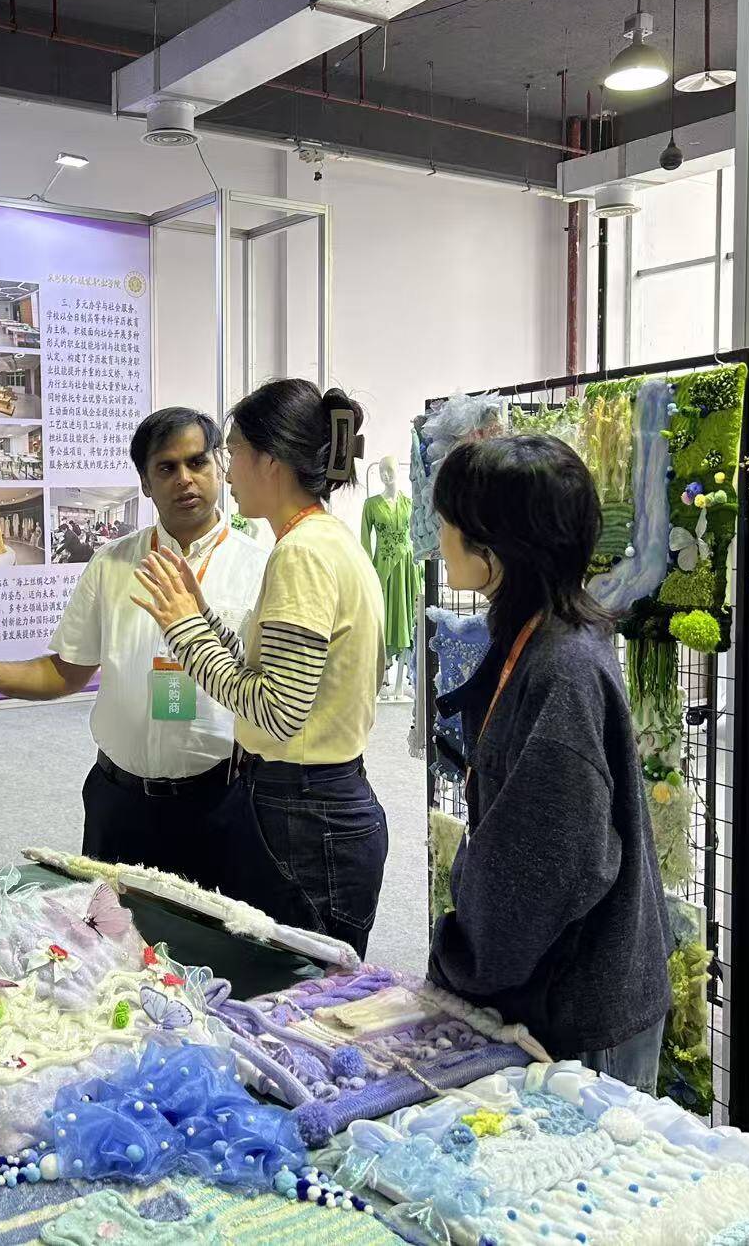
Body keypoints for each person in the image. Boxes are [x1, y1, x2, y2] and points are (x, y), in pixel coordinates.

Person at [425, 435, 670, 1089]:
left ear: (495, 545)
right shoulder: (553, 631)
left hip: (578, 1003)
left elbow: (556, 861)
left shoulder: (561, 666)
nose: (439, 537)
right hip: (577, 981)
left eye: (448, 522)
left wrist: (466, 959)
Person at [0, 409, 267, 885]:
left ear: (218, 467)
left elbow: (272, 693)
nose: (185, 479)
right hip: (120, 803)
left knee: (211, 931)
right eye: (166, 467)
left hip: (219, 804)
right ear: (145, 483)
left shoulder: (259, 568)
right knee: (111, 927)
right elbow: (67, 671)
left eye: (197, 462)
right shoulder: (112, 563)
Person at [130, 380, 386, 954]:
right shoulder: (322, 539)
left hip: (306, 812)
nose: (226, 472)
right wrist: (200, 616)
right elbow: (272, 672)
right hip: (316, 803)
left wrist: (183, 630)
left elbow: (275, 711)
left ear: (270, 461)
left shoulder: (302, 554)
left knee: (300, 989)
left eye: (233, 452)